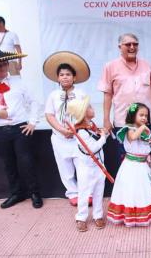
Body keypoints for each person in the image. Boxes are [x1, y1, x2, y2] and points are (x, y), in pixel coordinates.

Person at [97, 33, 151, 172]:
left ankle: (149, 190)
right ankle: (129, 191)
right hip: (123, 122)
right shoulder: (110, 66)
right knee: (125, 157)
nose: (132, 47)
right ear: (120, 47)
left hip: (146, 121)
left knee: (150, 156)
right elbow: (107, 95)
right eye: (128, 44)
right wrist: (106, 119)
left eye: (135, 44)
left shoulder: (146, 65)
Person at [0, 47, 43, 209]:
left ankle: (34, 192)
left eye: (5, 64)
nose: (2, 68)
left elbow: (35, 102)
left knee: (26, 161)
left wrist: (32, 122)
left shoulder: (19, 82)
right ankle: (16, 193)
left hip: (19, 128)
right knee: (8, 163)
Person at [44, 51, 90, 206]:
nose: (65, 77)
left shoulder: (81, 93)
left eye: (68, 74)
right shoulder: (53, 95)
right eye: (62, 74)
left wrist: (77, 127)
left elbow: (88, 114)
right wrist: (61, 129)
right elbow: (49, 115)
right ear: (57, 78)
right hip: (59, 137)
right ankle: (72, 193)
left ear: (74, 77)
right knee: (65, 167)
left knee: (83, 165)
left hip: (78, 136)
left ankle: (86, 192)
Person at [107, 103, 151, 227]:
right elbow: (132, 138)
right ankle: (131, 215)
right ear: (133, 116)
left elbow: (144, 145)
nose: (144, 118)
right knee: (132, 189)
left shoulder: (144, 129)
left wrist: (147, 154)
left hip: (143, 165)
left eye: (146, 116)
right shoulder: (129, 128)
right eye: (141, 115)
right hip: (132, 166)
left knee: (143, 189)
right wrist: (143, 128)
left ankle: (143, 213)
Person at [67, 96, 108, 232]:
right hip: (86, 166)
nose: (92, 108)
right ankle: (81, 217)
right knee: (84, 192)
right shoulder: (81, 131)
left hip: (98, 165)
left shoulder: (91, 125)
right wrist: (103, 137)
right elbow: (92, 148)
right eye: (89, 107)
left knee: (98, 191)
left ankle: (98, 215)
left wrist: (102, 133)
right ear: (83, 114)